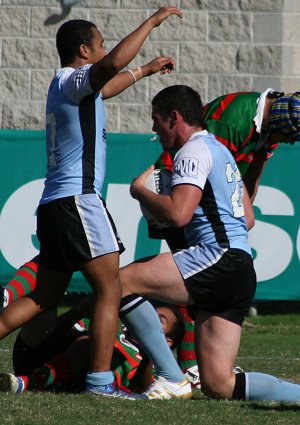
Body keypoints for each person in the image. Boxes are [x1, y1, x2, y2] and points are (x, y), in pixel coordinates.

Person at [0, 7, 184, 400]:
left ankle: (96, 379)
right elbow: (113, 64)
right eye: (99, 44)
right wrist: (151, 22)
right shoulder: (75, 80)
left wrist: (147, 71)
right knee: (110, 290)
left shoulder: (66, 83)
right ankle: (100, 384)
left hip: (53, 204)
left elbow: (109, 83)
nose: (104, 49)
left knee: (44, 296)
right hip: (78, 201)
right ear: (84, 50)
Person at [118, 84, 300, 402]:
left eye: (155, 120)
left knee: (119, 283)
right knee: (219, 384)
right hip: (240, 266)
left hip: (216, 255)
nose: (152, 128)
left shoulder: (196, 149)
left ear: (174, 118)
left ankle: (167, 376)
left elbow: (178, 213)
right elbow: (246, 216)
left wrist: (140, 191)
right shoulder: (226, 142)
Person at [0, 300, 185, 394]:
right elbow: (53, 334)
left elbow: (144, 389)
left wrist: (149, 353)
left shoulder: (160, 368)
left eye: (158, 321)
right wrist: (76, 312)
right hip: (35, 356)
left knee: (90, 343)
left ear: (167, 342)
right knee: (46, 299)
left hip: (66, 381)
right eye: (149, 315)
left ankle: (28, 383)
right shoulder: (104, 325)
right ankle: (7, 295)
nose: (149, 321)